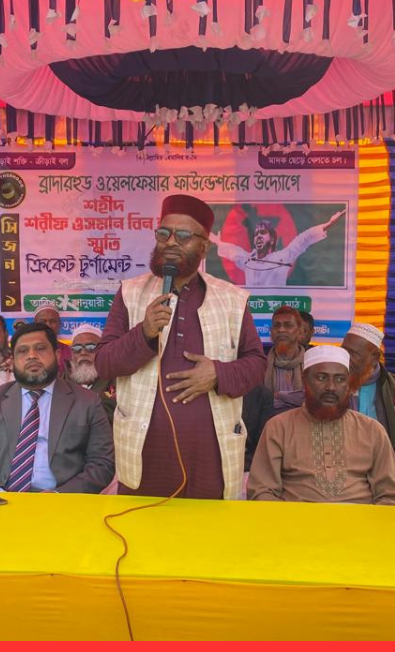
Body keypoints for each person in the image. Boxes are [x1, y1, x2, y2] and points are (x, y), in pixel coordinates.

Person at [95, 194, 267, 500]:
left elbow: (256, 364)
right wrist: (144, 333)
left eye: (184, 236)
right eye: (164, 233)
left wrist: (217, 374)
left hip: (211, 459)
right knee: (141, 528)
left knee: (207, 528)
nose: (171, 242)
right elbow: (104, 362)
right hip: (144, 456)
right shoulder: (131, 293)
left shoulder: (232, 299)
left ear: (204, 246)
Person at [0, 323, 114, 493]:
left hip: (62, 501)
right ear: (12, 360)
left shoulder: (88, 402)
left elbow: (102, 464)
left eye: (40, 348)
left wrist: (59, 497)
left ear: (57, 355)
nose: (32, 356)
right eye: (22, 351)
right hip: (0, 500)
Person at [247, 346, 395, 504]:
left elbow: (392, 494)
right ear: (304, 380)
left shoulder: (372, 430)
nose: (331, 387)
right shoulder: (278, 428)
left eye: (340, 379)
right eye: (321, 377)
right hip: (297, 518)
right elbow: (262, 490)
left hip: (360, 518)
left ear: (348, 384)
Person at [340, 321, 395, 468]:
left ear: (375, 357)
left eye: (353, 354)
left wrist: (387, 467)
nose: (346, 358)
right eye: (343, 351)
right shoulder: (333, 385)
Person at [210, 211, 345, 287]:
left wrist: (327, 224)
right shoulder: (246, 259)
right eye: (256, 234)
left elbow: (304, 238)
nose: (258, 236)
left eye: (263, 233)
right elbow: (232, 251)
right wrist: (217, 242)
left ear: (272, 239)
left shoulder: (282, 257)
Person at [63, 324, 116, 422]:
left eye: (91, 347)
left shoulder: (115, 380)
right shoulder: (61, 381)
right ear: (71, 353)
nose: (83, 353)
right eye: (77, 348)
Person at [263, 305, 307, 401]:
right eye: (276, 325)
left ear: (300, 331)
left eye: (288, 325)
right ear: (271, 331)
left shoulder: (311, 365)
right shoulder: (260, 365)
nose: (281, 330)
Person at [33, 304, 73, 371]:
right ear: (35, 324)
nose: (48, 325)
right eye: (43, 321)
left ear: (59, 324)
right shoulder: (29, 350)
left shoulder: (68, 351)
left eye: (53, 321)